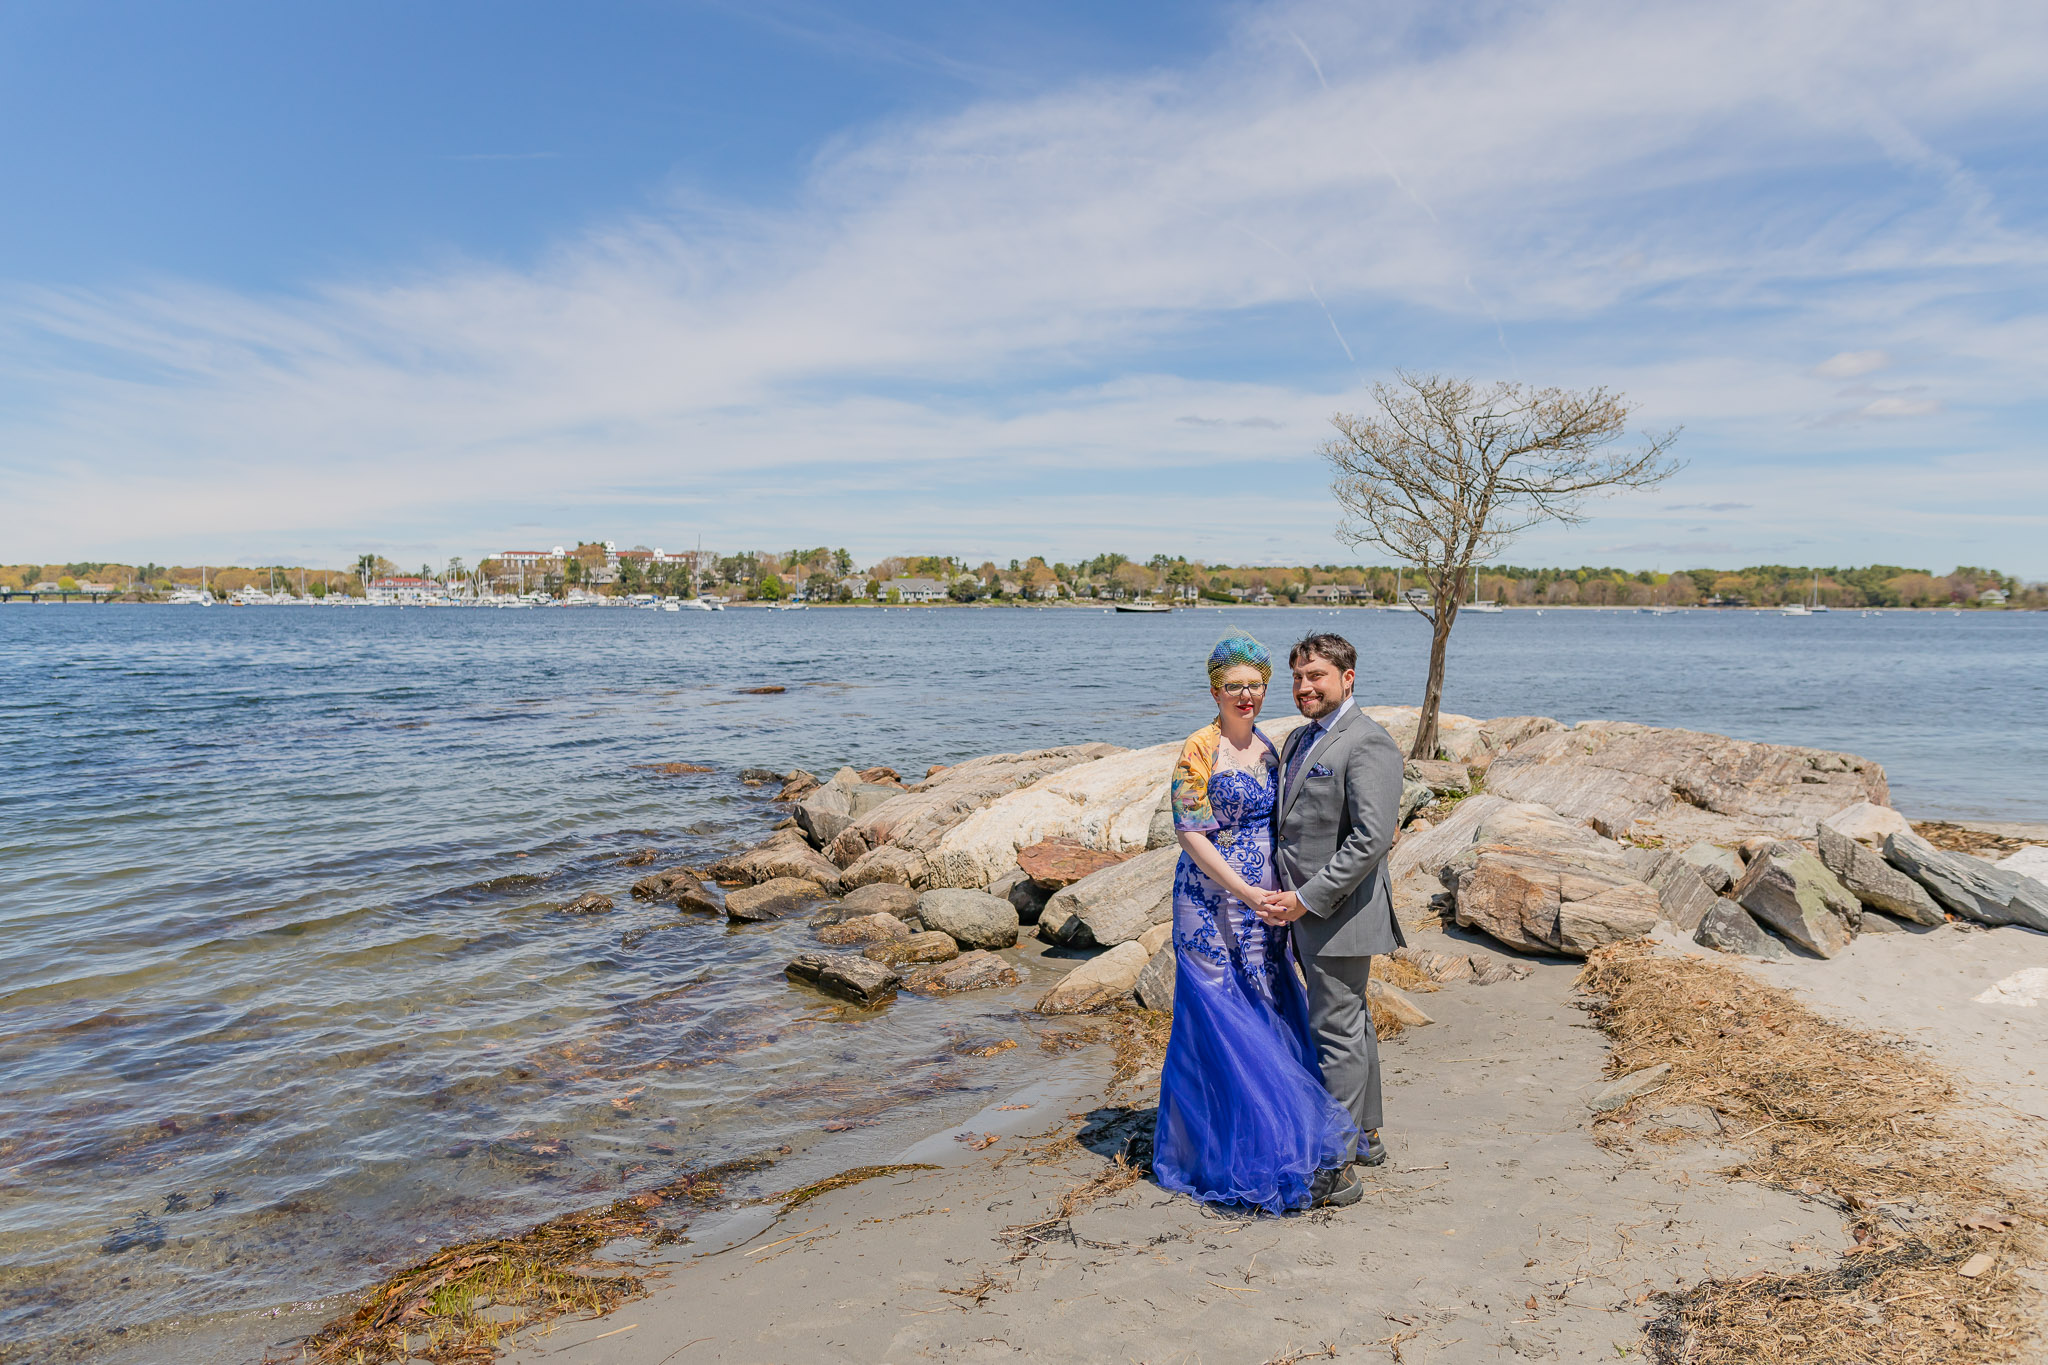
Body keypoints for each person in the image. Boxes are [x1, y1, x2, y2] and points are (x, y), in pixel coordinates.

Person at [1151, 633, 1362, 1213]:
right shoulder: (1199, 748)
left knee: (1265, 1004)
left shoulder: (1271, 746)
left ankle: (1277, 1134)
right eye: (1233, 686)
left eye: (1255, 685)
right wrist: (1244, 890)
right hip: (1211, 901)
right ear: (1215, 689)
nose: (1246, 695)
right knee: (1219, 1011)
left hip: (1267, 904)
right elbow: (1191, 831)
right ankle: (1214, 1150)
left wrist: (1284, 893)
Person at [1256, 632, 1407, 1171]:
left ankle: (1333, 1162)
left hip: (1339, 913)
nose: (1304, 686)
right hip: (1296, 911)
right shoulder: (1299, 740)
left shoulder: (1368, 742)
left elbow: (1371, 838)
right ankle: (1364, 1137)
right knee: (1351, 1024)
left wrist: (1304, 900)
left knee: (1336, 1033)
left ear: (1347, 678)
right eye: (1297, 677)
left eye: (1315, 675)